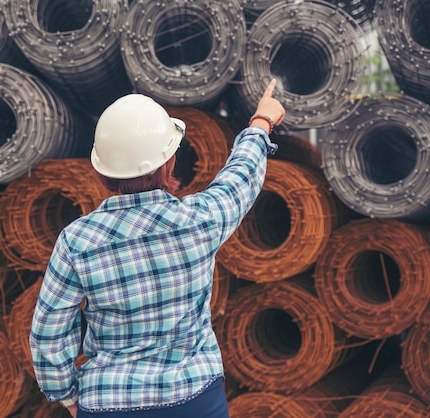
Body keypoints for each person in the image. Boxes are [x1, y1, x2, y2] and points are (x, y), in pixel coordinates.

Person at [30, 80, 285, 417]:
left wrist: (66, 396)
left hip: (110, 402)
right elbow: (241, 177)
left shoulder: (77, 241)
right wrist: (260, 123)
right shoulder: (199, 221)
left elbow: (49, 332)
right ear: (169, 162)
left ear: (102, 172)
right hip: (195, 400)